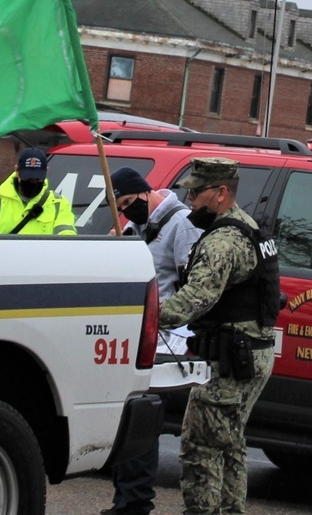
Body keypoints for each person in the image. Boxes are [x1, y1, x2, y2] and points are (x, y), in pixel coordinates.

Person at [159, 157, 281, 515]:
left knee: (201, 447)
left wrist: (148, 316)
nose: (191, 201)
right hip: (252, 356)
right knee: (230, 444)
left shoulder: (222, 242)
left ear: (220, 193)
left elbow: (196, 298)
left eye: (196, 193)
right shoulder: (249, 227)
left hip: (229, 362)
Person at [102, 166, 202, 515]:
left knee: (141, 424)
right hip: (136, 337)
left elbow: (193, 286)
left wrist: (169, 320)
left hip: (166, 342)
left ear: (145, 192)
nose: (128, 210)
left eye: (130, 202)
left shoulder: (182, 224)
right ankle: (125, 499)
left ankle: (135, 502)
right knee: (127, 422)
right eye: (121, 206)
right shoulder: (135, 224)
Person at [0, 147, 76, 235]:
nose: (33, 182)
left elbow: (66, 240)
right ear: (16, 171)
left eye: (37, 179)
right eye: (28, 178)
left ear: (46, 171)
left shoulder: (58, 204)